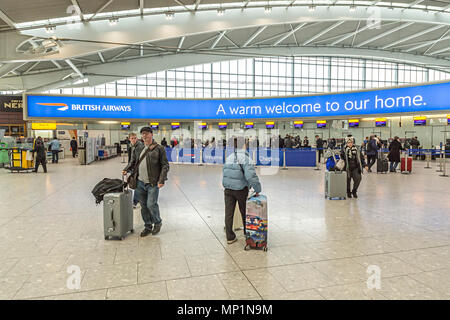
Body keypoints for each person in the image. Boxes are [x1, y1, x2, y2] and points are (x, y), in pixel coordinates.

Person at [123, 127, 169, 237]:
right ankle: (148, 226)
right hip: (140, 182)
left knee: (151, 204)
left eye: (147, 134)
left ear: (152, 135)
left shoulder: (159, 148)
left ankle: (157, 222)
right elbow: (133, 161)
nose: (144, 136)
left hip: (153, 182)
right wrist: (126, 168)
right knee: (143, 206)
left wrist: (162, 179)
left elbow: (165, 165)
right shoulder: (138, 148)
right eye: (143, 134)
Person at [222, 137, 261, 244]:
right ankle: (247, 233)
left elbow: (224, 171)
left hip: (227, 189)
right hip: (240, 189)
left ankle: (230, 237)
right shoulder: (246, 158)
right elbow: (251, 176)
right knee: (244, 211)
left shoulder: (229, 157)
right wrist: (258, 189)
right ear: (244, 145)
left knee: (229, 212)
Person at [125, 133, 143, 208]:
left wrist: (126, 169)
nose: (134, 140)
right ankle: (138, 199)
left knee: (137, 184)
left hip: (138, 168)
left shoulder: (139, 146)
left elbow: (135, 160)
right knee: (137, 184)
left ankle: (135, 201)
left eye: (135, 138)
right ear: (129, 139)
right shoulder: (132, 146)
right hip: (134, 167)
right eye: (132, 138)